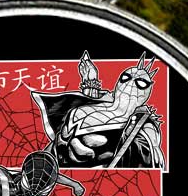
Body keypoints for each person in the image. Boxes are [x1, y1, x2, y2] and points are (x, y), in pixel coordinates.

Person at [31, 51, 166, 168]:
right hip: (52, 170)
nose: (130, 83)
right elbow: (56, 144)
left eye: (141, 82)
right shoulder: (89, 105)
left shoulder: (141, 123)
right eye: (126, 77)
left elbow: (150, 153)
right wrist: (90, 80)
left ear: (147, 92)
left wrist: (150, 145)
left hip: (98, 180)